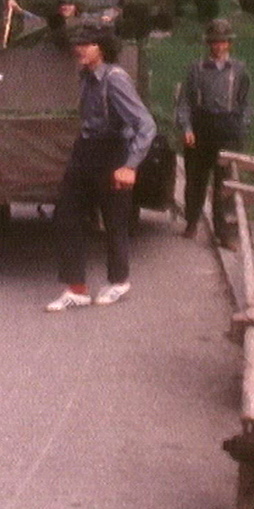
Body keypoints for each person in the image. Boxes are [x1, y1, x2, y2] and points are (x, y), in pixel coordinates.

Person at [46, 21, 156, 312]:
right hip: (85, 152)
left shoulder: (115, 79)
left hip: (112, 155)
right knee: (66, 216)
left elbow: (145, 124)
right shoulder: (85, 76)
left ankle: (119, 282)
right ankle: (76, 288)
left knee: (115, 222)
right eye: (77, 44)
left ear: (102, 48)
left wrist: (131, 165)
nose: (79, 49)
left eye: (87, 44)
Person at [175, 18, 253, 246]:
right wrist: (187, 127)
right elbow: (184, 102)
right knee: (195, 179)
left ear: (229, 44)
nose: (218, 46)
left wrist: (241, 126)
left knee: (225, 185)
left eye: (222, 42)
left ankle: (224, 232)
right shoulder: (196, 69)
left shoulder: (239, 70)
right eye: (214, 42)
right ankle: (191, 221)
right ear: (208, 44)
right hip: (201, 127)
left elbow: (246, 104)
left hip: (228, 130)